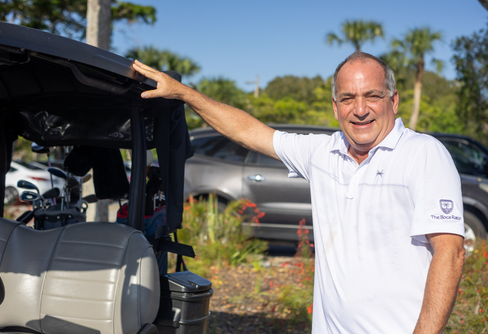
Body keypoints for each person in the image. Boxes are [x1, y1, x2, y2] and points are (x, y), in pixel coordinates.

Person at [133, 51, 465, 333]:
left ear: (393, 100)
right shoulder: (323, 152)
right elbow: (251, 131)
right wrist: (185, 95)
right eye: (348, 98)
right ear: (335, 107)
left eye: (372, 96)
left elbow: (449, 254)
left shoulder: (423, 153)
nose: (360, 109)